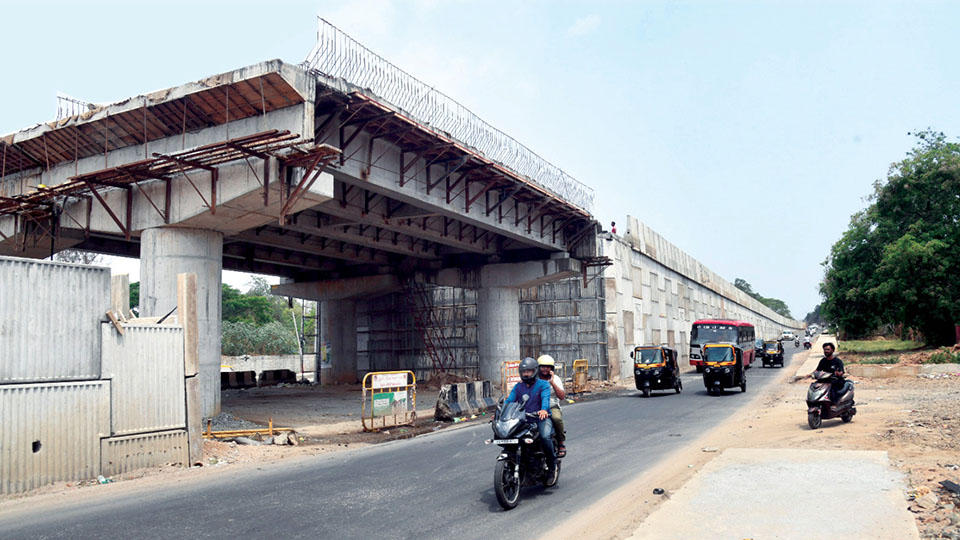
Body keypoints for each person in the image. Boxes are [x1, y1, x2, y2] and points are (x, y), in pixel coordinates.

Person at [505, 356, 557, 469]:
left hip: (541, 418)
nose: (526, 374)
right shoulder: (519, 386)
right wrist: (501, 412)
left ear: (535, 371)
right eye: (524, 372)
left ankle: (552, 466)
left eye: (529, 371)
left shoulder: (543, 384)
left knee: (545, 437)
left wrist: (543, 410)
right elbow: (509, 401)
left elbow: (545, 398)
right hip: (523, 419)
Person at [537, 354, 567, 458]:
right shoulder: (534, 379)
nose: (545, 369)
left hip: (551, 405)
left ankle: (561, 441)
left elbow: (562, 396)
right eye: (543, 366)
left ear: (551, 368)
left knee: (556, 418)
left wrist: (553, 383)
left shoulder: (556, 379)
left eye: (548, 367)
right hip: (536, 406)